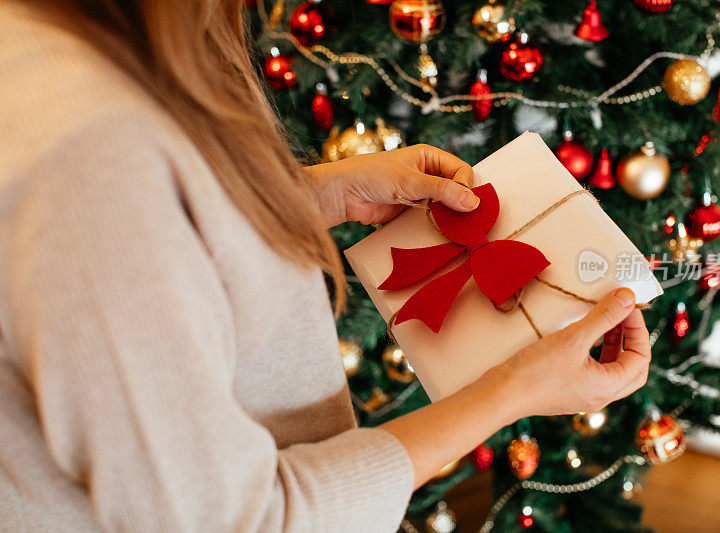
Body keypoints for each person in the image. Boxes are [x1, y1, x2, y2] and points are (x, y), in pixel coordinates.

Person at [0, 1, 651, 531]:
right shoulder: (90, 151)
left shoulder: (56, 44)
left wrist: (302, 196)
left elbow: (131, 247)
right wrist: (511, 389)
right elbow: (236, 522)